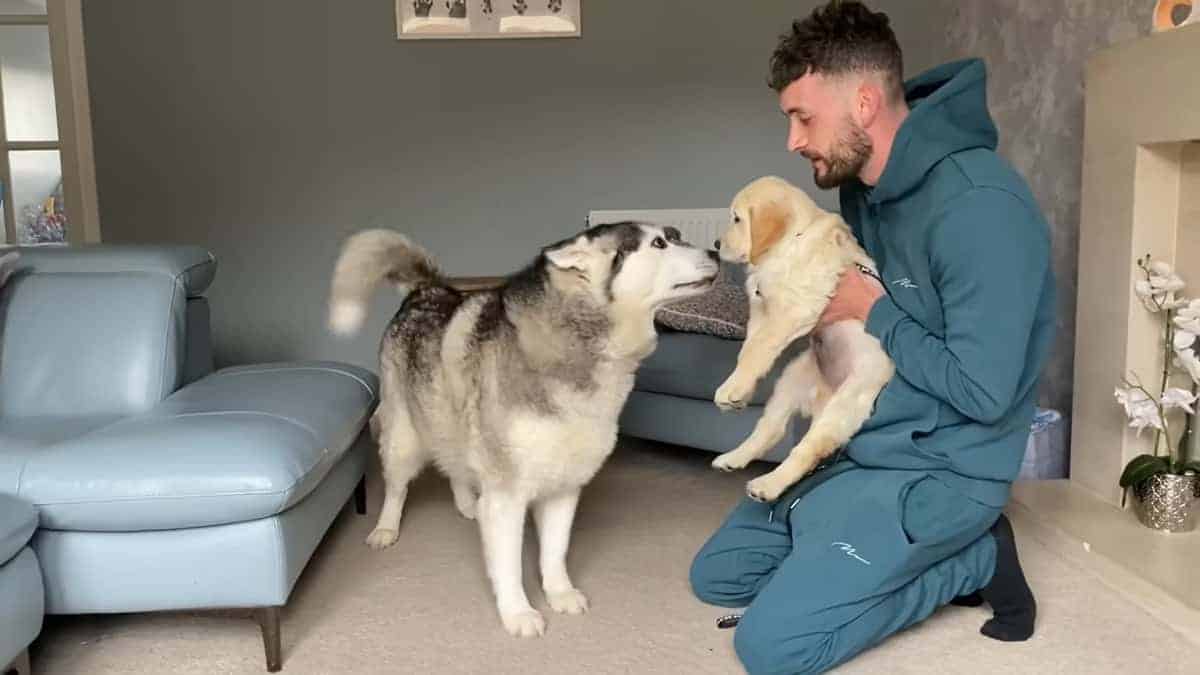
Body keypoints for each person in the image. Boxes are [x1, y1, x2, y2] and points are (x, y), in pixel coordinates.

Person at [688, 2, 1057, 673]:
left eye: (803, 117)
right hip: (863, 442)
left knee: (772, 647)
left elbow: (985, 391)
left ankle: (976, 555)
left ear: (862, 103)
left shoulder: (982, 210)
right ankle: (844, 542)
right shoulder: (864, 190)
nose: (793, 140)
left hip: (944, 471)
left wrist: (871, 307)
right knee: (718, 575)